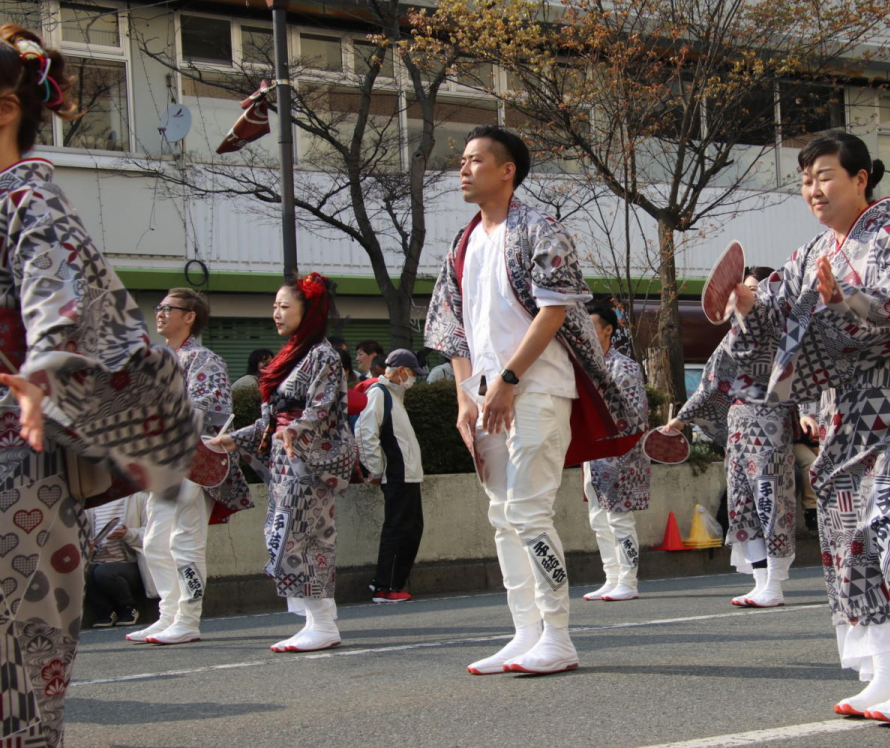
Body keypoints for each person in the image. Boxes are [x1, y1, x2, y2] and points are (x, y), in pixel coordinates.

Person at [0, 23, 200, 747]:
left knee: (17, 670)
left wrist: (42, 365)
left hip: (17, 453)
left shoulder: (27, 197)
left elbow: (54, 297)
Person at [730, 131, 890, 725]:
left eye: (825, 176)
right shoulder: (812, 250)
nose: (813, 189)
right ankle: (884, 673)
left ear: (863, 178)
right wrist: (744, 302)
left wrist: (846, 300)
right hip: (844, 424)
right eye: (805, 180)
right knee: (851, 546)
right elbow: (775, 315)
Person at [424, 125, 641, 676]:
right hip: (486, 394)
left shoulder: (541, 229)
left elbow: (556, 309)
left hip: (538, 390)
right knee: (502, 517)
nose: (463, 169)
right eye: (462, 161)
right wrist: (464, 396)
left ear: (507, 170)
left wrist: (511, 379)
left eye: (475, 160)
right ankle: (524, 633)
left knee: (527, 511)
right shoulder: (464, 241)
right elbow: (454, 329)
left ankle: (559, 636)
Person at [210, 273, 356, 652]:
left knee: (303, 539)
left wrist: (296, 428)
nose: (275, 313)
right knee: (287, 538)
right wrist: (234, 438)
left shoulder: (322, 355)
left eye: (284, 306)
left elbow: (321, 408)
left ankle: (323, 623)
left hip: (307, 460)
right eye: (274, 306)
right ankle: (315, 620)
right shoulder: (293, 354)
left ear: (307, 311)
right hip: (286, 460)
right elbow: (271, 419)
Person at [126, 288, 253, 645]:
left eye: (169, 308)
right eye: (159, 308)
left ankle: (188, 618)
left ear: (190, 316)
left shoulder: (203, 359)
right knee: (153, 541)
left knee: (185, 539)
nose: (161, 314)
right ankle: (169, 614)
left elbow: (211, 409)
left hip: (192, 459)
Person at [668, 267, 797, 608]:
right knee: (741, 504)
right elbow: (710, 386)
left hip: (770, 420)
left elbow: (804, 373)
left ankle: (776, 583)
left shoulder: (784, 335)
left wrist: (811, 411)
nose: (747, 296)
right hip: (739, 425)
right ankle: (759, 580)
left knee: (771, 500)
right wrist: (680, 421)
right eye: (744, 290)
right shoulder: (729, 341)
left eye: (755, 290)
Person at [581, 305, 650, 603]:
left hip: (620, 452)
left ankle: (628, 580)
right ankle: (611, 578)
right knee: (598, 519)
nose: (585, 334)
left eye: (591, 327)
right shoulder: (584, 366)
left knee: (619, 519)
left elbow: (637, 415)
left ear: (608, 329)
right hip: (593, 452)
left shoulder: (625, 367)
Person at [357, 348, 426, 603]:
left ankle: (389, 584)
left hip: (405, 474)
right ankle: (385, 586)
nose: (413, 378)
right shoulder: (379, 393)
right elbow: (365, 433)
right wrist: (375, 470)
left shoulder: (392, 395)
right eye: (411, 373)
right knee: (399, 530)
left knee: (409, 530)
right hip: (397, 475)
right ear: (400, 371)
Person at [84, 492, 151, 628]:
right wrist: (87, 544)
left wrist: (128, 534)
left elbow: (153, 533)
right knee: (86, 571)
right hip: (97, 560)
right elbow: (79, 535)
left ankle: (128, 607)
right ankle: (105, 610)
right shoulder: (91, 502)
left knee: (103, 572)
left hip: (130, 563)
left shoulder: (139, 498)